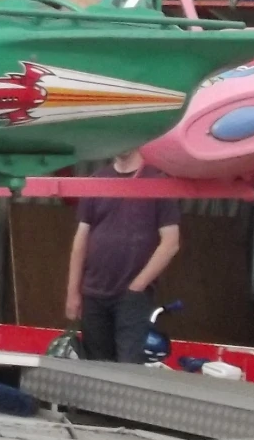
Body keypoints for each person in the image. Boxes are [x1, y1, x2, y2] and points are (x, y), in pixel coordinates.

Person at [64, 148, 181, 364]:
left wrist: (137, 286)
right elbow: (80, 241)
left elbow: (171, 243)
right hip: (93, 294)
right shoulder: (97, 180)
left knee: (128, 369)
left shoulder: (158, 180)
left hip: (132, 298)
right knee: (96, 369)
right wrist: (73, 292)